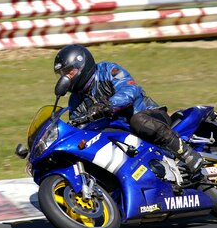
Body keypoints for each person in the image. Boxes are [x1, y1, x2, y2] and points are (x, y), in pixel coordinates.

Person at [53, 44, 203, 174]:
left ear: (82, 65)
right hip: (120, 133)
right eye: (62, 75)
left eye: (69, 72)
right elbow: (77, 125)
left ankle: (187, 153)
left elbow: (129, 90)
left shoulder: (108, 70)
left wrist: (107, 105)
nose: (66, 78)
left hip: (148, 116)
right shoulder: (75, 101)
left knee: (138, 121)